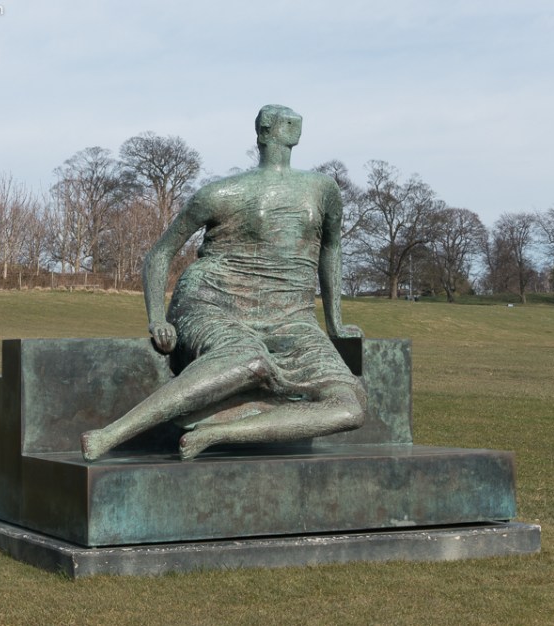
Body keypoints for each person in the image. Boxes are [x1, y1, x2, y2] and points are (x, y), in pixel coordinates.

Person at [82, 105, 366, 461]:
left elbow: (331, 249)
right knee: (249, 359)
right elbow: (160, 254)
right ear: (263, 132)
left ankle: (217, 432)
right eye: (280, 122)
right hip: (214, 300)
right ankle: (110, 434)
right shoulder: (221, 193)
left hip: (292, 316)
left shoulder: (323, 189)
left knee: (350, 407)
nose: (292, 125)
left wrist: (335, 322)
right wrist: (157, 317)